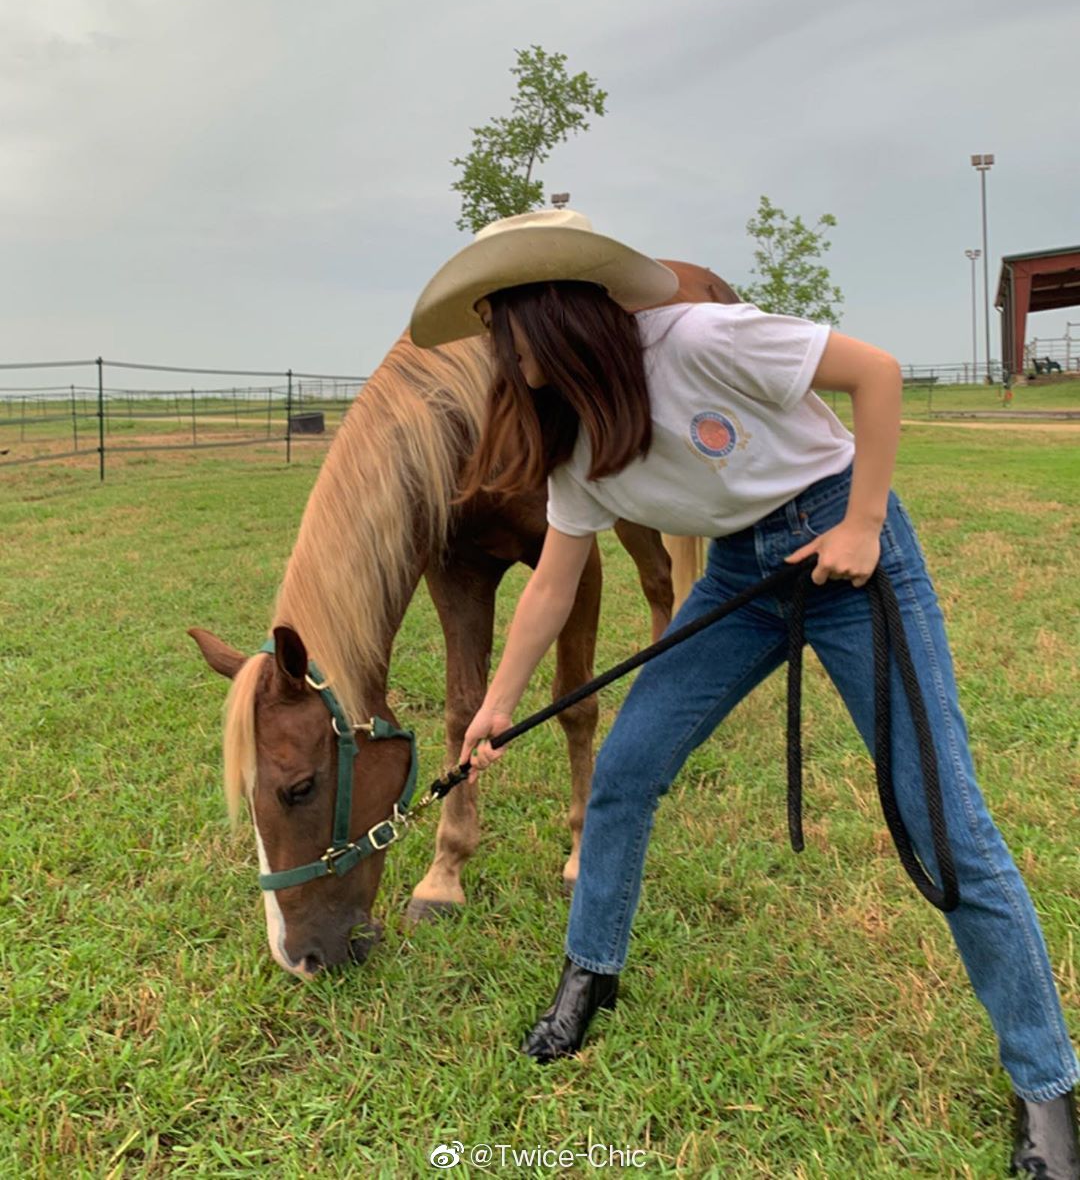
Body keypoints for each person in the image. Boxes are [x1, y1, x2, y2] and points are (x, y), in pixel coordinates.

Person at [409, 209, 1079, 1177]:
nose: (491, 343)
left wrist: (861, 524)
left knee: (944, 822)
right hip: (742, 579)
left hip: (849, 552)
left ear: (544, 314)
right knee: (627, 770)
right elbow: (553, 582)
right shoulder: (571, 441)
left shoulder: (697, 340)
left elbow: (876, 374)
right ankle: (590, 974)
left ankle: (1048, 1087)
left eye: (495, 318)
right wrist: (497, 704)